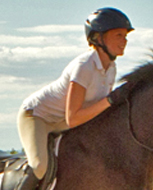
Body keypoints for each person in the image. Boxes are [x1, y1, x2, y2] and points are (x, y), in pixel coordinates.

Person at [16, 7, 134, 189]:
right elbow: (74, 118)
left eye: (125, 36)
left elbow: (95, 113)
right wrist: (110, 100)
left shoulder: (111, 68)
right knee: (39, 167)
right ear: (99, 37)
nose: (124, 40)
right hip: (36, 116)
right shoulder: (84, 66)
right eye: (119, 35)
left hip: (61, 122)